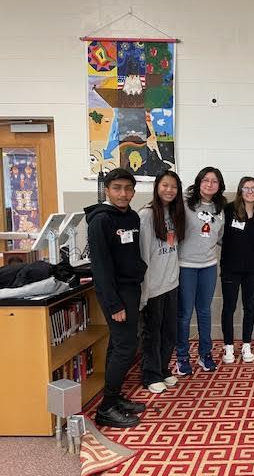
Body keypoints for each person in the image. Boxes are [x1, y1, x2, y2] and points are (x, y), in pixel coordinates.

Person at [85, 168, 147, 428]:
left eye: (128, 188)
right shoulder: (101, 221)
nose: (123, 194)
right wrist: (113, 304)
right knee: (126, 347)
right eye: (117, 188)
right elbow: (101, 267)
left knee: (118, 345)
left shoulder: (131, 216)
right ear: (107, 190)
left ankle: (114, 396)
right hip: (115, 293)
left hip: (131, 288)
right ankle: (106, 408)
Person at [175, 167, 226, 375]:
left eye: (214, 181)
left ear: (219, 186)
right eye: (206, 180)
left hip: (209, 266)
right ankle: (182, 357)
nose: (209, 184)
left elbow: (219, 236)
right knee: (185, 313)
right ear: (198, 182)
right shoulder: (185, 203)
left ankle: (205, 354)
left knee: (205, 311)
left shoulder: (219, 208)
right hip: (186, 266)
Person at [138, 170, 185, 394]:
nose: (169, 190)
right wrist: (144, 291)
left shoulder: (175, 214)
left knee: (169, 331)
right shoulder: (146, 215)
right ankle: (150, 374)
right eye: (165, 185)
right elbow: (144, 256)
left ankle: (163, 369)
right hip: (153, 286)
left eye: (174, 187)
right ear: (157, 187)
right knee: (152, 333)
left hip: (171, 283)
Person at [220, 177, 254, 363]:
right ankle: (228, 346)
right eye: (246, 188)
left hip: (252, 268)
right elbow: (219, 235)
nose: (250, 191)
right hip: (230, 267)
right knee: (229, 307)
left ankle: (246, 344)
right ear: (240, 190)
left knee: (249, 307)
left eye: (253, 188)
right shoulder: (229, 209)